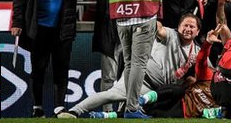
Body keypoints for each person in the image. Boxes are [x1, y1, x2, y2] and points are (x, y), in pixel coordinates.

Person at [57, 14, 202, 118]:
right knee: (111, 95)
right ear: (178, 27)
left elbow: (208, 70)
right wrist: (154, 21)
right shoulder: (171, 34)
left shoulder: (197, 51)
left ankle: (108, 115)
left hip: (160, 92)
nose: (188, 29)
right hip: (142, 80)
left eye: (192, 26)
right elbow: (160, 29)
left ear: (198, 31)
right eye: (185, 25)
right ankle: (74, 111)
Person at [11, 0, 81, 118]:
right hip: (39, 28)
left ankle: (59, 107)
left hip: (63, 27)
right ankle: (38, 107)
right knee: (39, 69)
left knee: (62, 68)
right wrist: (17, 22)